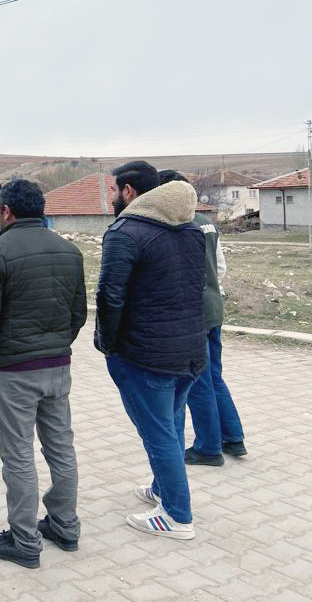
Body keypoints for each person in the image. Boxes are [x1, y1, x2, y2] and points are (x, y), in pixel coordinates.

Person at [0, 180, 87, 568]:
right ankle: (65, 525)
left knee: (18, 453)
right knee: (60, 446)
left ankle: (23, 539)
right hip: (57, 366)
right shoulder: (70, 251)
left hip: (13, 370)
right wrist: (55, 343)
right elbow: (78, 313)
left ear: (6, 211)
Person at [95, 161, 206, 540]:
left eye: (113, 189)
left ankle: (177, 516)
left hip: (145, 354)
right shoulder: (191, 230)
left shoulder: (125, 232)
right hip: (190, 348)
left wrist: (107, 344)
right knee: (172, 425)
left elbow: (110, 295)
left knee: (158, 432)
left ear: (128, 191)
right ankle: (163, 488)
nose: (111, 197)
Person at [158, 170, 246, 465]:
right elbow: (220, 268)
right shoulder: (207, 223)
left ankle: (208, 448)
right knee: (214, 376)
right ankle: (233, 438)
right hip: (214, 306)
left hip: (193, 311)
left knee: (197, 382)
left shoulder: (177, 224)